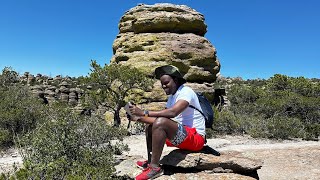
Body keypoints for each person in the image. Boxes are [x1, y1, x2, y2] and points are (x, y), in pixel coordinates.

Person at [128, 65, 206, 180]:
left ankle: (155, 168)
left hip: (196, 138)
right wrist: (137, 117)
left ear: (175, 80)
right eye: (162, 84)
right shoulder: (171, 98)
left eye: (166, 83)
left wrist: (144, 112)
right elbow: (159, 122)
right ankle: (151, 163)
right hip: (183, 135)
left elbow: (173, 113)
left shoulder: (186, 91)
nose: (163, 86)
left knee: (160, 122)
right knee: (151, 126)